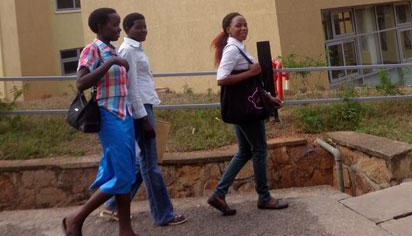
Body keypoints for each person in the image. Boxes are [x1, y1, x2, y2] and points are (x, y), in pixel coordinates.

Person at [100, 13, 187, 226]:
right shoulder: (128, 50)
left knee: (143, 164)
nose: (144, 31)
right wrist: (143, 118)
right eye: (139, 28)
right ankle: (163, 215)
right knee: (150, 166)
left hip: (145, 106)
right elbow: (129, 87)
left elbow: (141, 81)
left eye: (146, 27)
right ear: (128, 29)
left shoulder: (136, 48)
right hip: (140, 110)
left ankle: (113, 206)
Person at [62, 8, 138, 236]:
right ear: (99, 27)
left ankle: (125, 229)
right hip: (108, 115)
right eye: (113, 25)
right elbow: (81, 83)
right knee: (124, 174)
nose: (117, 28)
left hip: (124, 116)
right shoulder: (92, 50)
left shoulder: (113, 50)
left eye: (117, 25)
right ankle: (76, 219)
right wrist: (111, 63)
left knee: (123, 171)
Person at [207, 12, 289, 216]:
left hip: (242, 107)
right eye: (238, 26)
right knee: (259, 149)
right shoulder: (232, 50)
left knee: (245, 151)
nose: (243, 28)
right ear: (228, 29)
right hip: (247, 110)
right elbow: (222, 79)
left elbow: (249, 84)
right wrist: (251, 72)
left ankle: (219, 194)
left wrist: (268, 97)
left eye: (245, 25)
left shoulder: (238, 48)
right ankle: (264, 197)